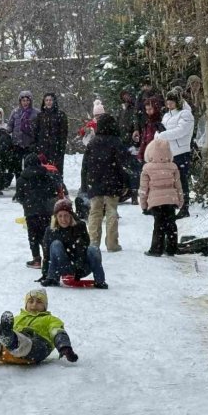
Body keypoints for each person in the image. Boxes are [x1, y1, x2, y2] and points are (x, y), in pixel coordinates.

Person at [80, 114, 126, 252]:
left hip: (95, 181)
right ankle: (112, 243)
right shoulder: (117, 142)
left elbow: (85, 165)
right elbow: (121, 165)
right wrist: (124, 182)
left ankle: (93, 241)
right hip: (112, 180)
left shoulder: (93, 143)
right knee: (112, 211)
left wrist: (84, 184)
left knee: (95, 212)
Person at [39, 198, 107, 288]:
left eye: (66, 215)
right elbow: (47, 254)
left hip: (81, 267)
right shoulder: (50, 231)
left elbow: (83, 248)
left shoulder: (80, 226)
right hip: (62, 266)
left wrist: (79, 267)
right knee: (56, 244)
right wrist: (45, 274)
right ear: (56, 217)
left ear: (71, 215)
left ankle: (100, 281)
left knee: (93, 249)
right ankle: (52, 278)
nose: (63, 219)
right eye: (60, 216)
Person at [15, 152, 64, 269]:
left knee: (32, 235)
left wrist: (26, 203)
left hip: (30, 211)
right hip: (45, 210)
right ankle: (48, 257)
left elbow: (19, 196)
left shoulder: (22, 178)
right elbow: (53, 191)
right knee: (45, 234)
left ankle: (36, 259)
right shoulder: (47, 175)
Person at [139, 138, 183, 257]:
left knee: (158, 224)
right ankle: (171, 248)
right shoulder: (173, 167)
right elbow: (178, 185)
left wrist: (143, 204)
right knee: (171, 224)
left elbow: (143, 189)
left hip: (155, 201)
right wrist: (180, 200)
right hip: (170, 199)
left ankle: (156, 249)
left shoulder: (147, 168)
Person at [157, 89, 195, 219]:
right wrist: (158, 135)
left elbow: (181, 131)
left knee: (182, 180)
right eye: (168, 100)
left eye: (172, 101)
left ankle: (185, 207)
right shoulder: (166, 115)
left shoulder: (185, 114)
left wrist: (163, 135)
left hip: (181, 152)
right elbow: (161, 130)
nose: (169, 103)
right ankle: (173, 204)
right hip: (168, 152)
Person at [6, 90, 39, 185]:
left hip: (30, 145)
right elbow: (10, 125)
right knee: (17, 167)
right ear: (20, 101)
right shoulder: (15, 112)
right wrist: (6, 131)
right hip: (17, 144)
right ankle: (19, 185)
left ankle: (29, 186)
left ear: (31, 101)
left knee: (29, 167)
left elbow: (39, 129)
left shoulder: (36, 113)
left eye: (27, 100)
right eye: (23, 100)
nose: (25, 102)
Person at [33, 92, 69, 175]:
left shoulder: (61, 115)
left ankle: (57, 187)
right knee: (43, 171)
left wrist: (61, 147)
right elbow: (36, 133)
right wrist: (36, 147)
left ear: (54, 101)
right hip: (42, 148)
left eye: (50, 100)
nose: (48, 102)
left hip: (56, 148)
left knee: (56, 171)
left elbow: (63, 133)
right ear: (44, 102)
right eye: (46, 100)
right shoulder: (40, 116)